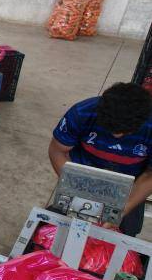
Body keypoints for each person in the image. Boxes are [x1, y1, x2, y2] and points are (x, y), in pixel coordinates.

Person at [49, 82, 152, 237]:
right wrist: (76, 187)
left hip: (132, 184)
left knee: (125, 231)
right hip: (83, 175)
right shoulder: (81, 113)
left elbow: (150, 175)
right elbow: (57, 151)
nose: (116, 136)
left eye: (124, 132)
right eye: (109, 129)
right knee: (58, 225)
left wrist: (123, 209)